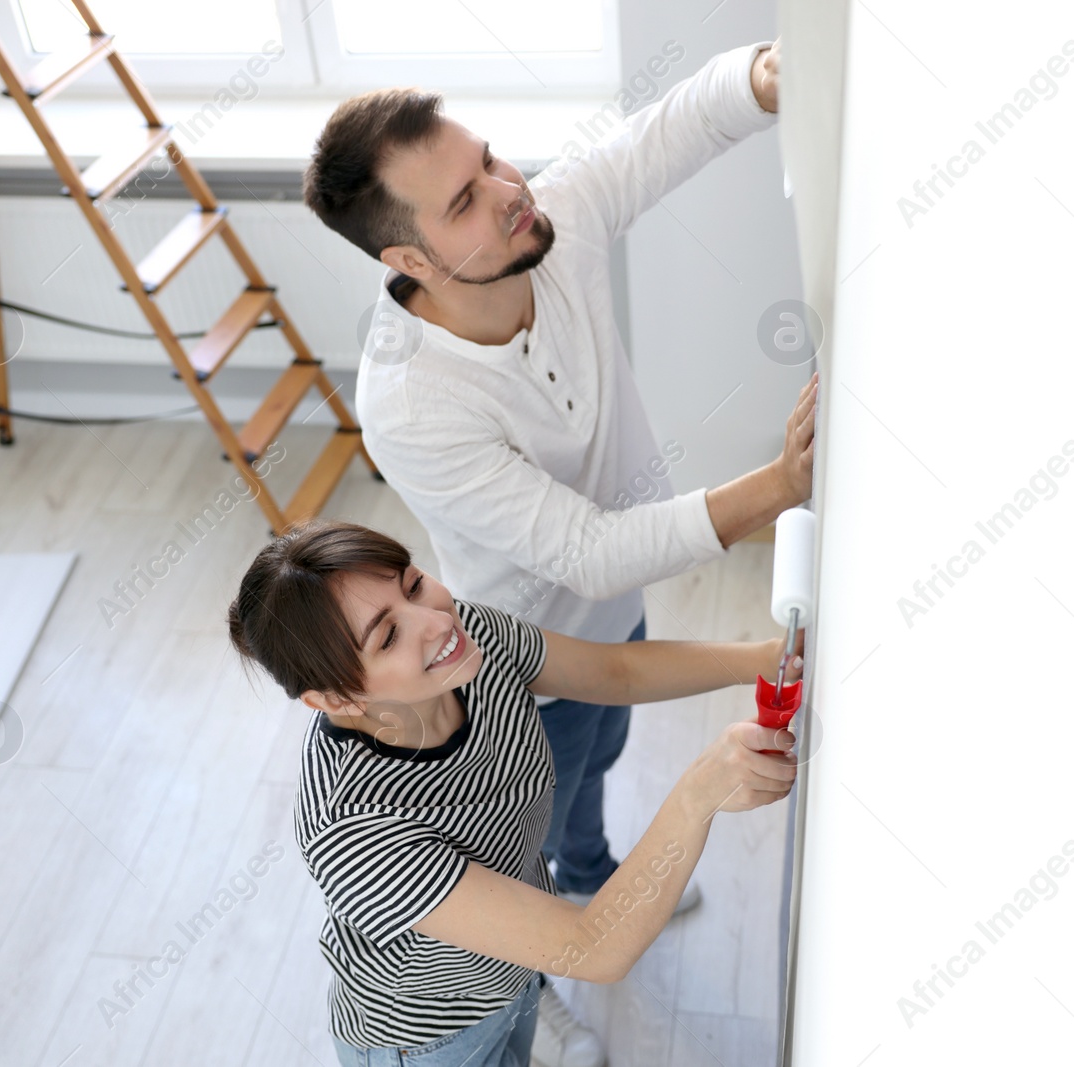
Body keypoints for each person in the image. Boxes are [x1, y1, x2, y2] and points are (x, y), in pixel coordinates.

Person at [300, 40, 814, 1061]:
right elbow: (584, 552)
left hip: (602, 622)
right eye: (461, 201)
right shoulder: (409, 403)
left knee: (601, 760)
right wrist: (780, 486)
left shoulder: (542, 224)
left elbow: (664, 134)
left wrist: (767, 73)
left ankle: (588, 864)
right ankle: (535, 965)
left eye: (490, 159)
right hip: (512, 661)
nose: (505, 192)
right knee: (528, 816)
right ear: (408, 261)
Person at [226, 520, 801, 1067]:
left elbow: (616, 671)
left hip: (511, 973)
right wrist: (699, 793)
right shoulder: (355, 830)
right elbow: (593, 948)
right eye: (390, 635)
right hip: (427, 1037)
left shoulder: (467, 642)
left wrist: (766, 658)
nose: (434, 619)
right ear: (335, 701)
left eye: (414, 584)